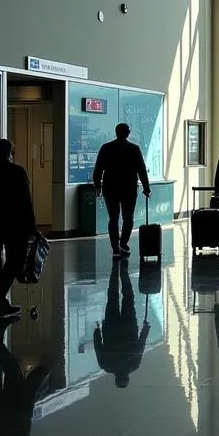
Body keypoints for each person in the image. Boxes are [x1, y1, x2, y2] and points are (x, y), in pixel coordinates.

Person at [0, 139, 35, 321]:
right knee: (15, 260)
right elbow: (25, 202)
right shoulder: (16, 172)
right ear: (10, 153)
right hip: (14, 225)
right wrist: (32, 226)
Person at [92, 123, 151, 258]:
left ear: (116, 132)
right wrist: (146, 188)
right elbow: (141, 170)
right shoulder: (134, 149)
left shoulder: (106, 148)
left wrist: (97, 186)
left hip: (110, 188)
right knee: (128, 217)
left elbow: (98, 169)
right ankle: (123, 243)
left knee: (113, 218)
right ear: (128, 133)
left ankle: (115, 248)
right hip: (128, 188)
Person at [94, 260, 149, 388]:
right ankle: (115, 266)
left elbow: (141, 346)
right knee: (112, 295)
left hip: (128, 326)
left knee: (128, 296)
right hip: (110, 327)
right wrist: (97, 330)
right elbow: (98, 347)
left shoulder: (134, 365)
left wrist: (145, 328)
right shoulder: (106, 366)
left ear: (127, 378)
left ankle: (123, 268)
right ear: (116, 379)